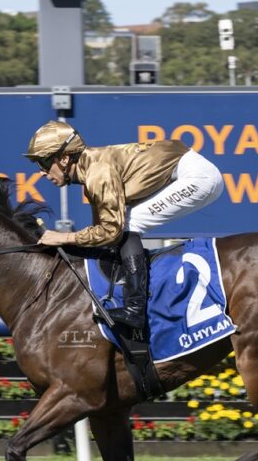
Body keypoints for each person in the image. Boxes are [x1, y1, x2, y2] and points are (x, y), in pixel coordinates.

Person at [24, 120, 224, 332]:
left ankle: (135, 309)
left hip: (199, 177)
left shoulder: (97, 173)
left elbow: (111, 231)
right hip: (186, 169)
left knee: (130, 223)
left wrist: (62, 238)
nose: (41, 172)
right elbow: (102, 232)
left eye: (44, 163)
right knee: (125, 223)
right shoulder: (91, 171)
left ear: (64, 158)